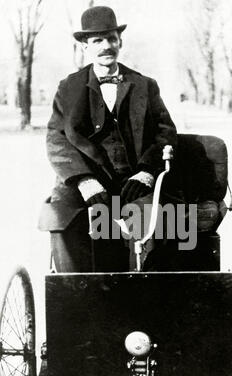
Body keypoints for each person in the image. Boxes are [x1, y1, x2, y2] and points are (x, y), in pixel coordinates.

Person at [39, 5, 177, 273]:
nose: (106, 46)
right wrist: (84, 181)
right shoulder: (69, 88)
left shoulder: (144, 85)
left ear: (120, 42)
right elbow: (57, 139)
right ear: (84, 47)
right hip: (87, 181)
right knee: (61, 218)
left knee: (166, 222)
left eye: (111, 39)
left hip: (134, 181)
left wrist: (147, 172)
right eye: (97, 40)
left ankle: (150, 294)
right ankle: (78, 294)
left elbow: (165, 132)